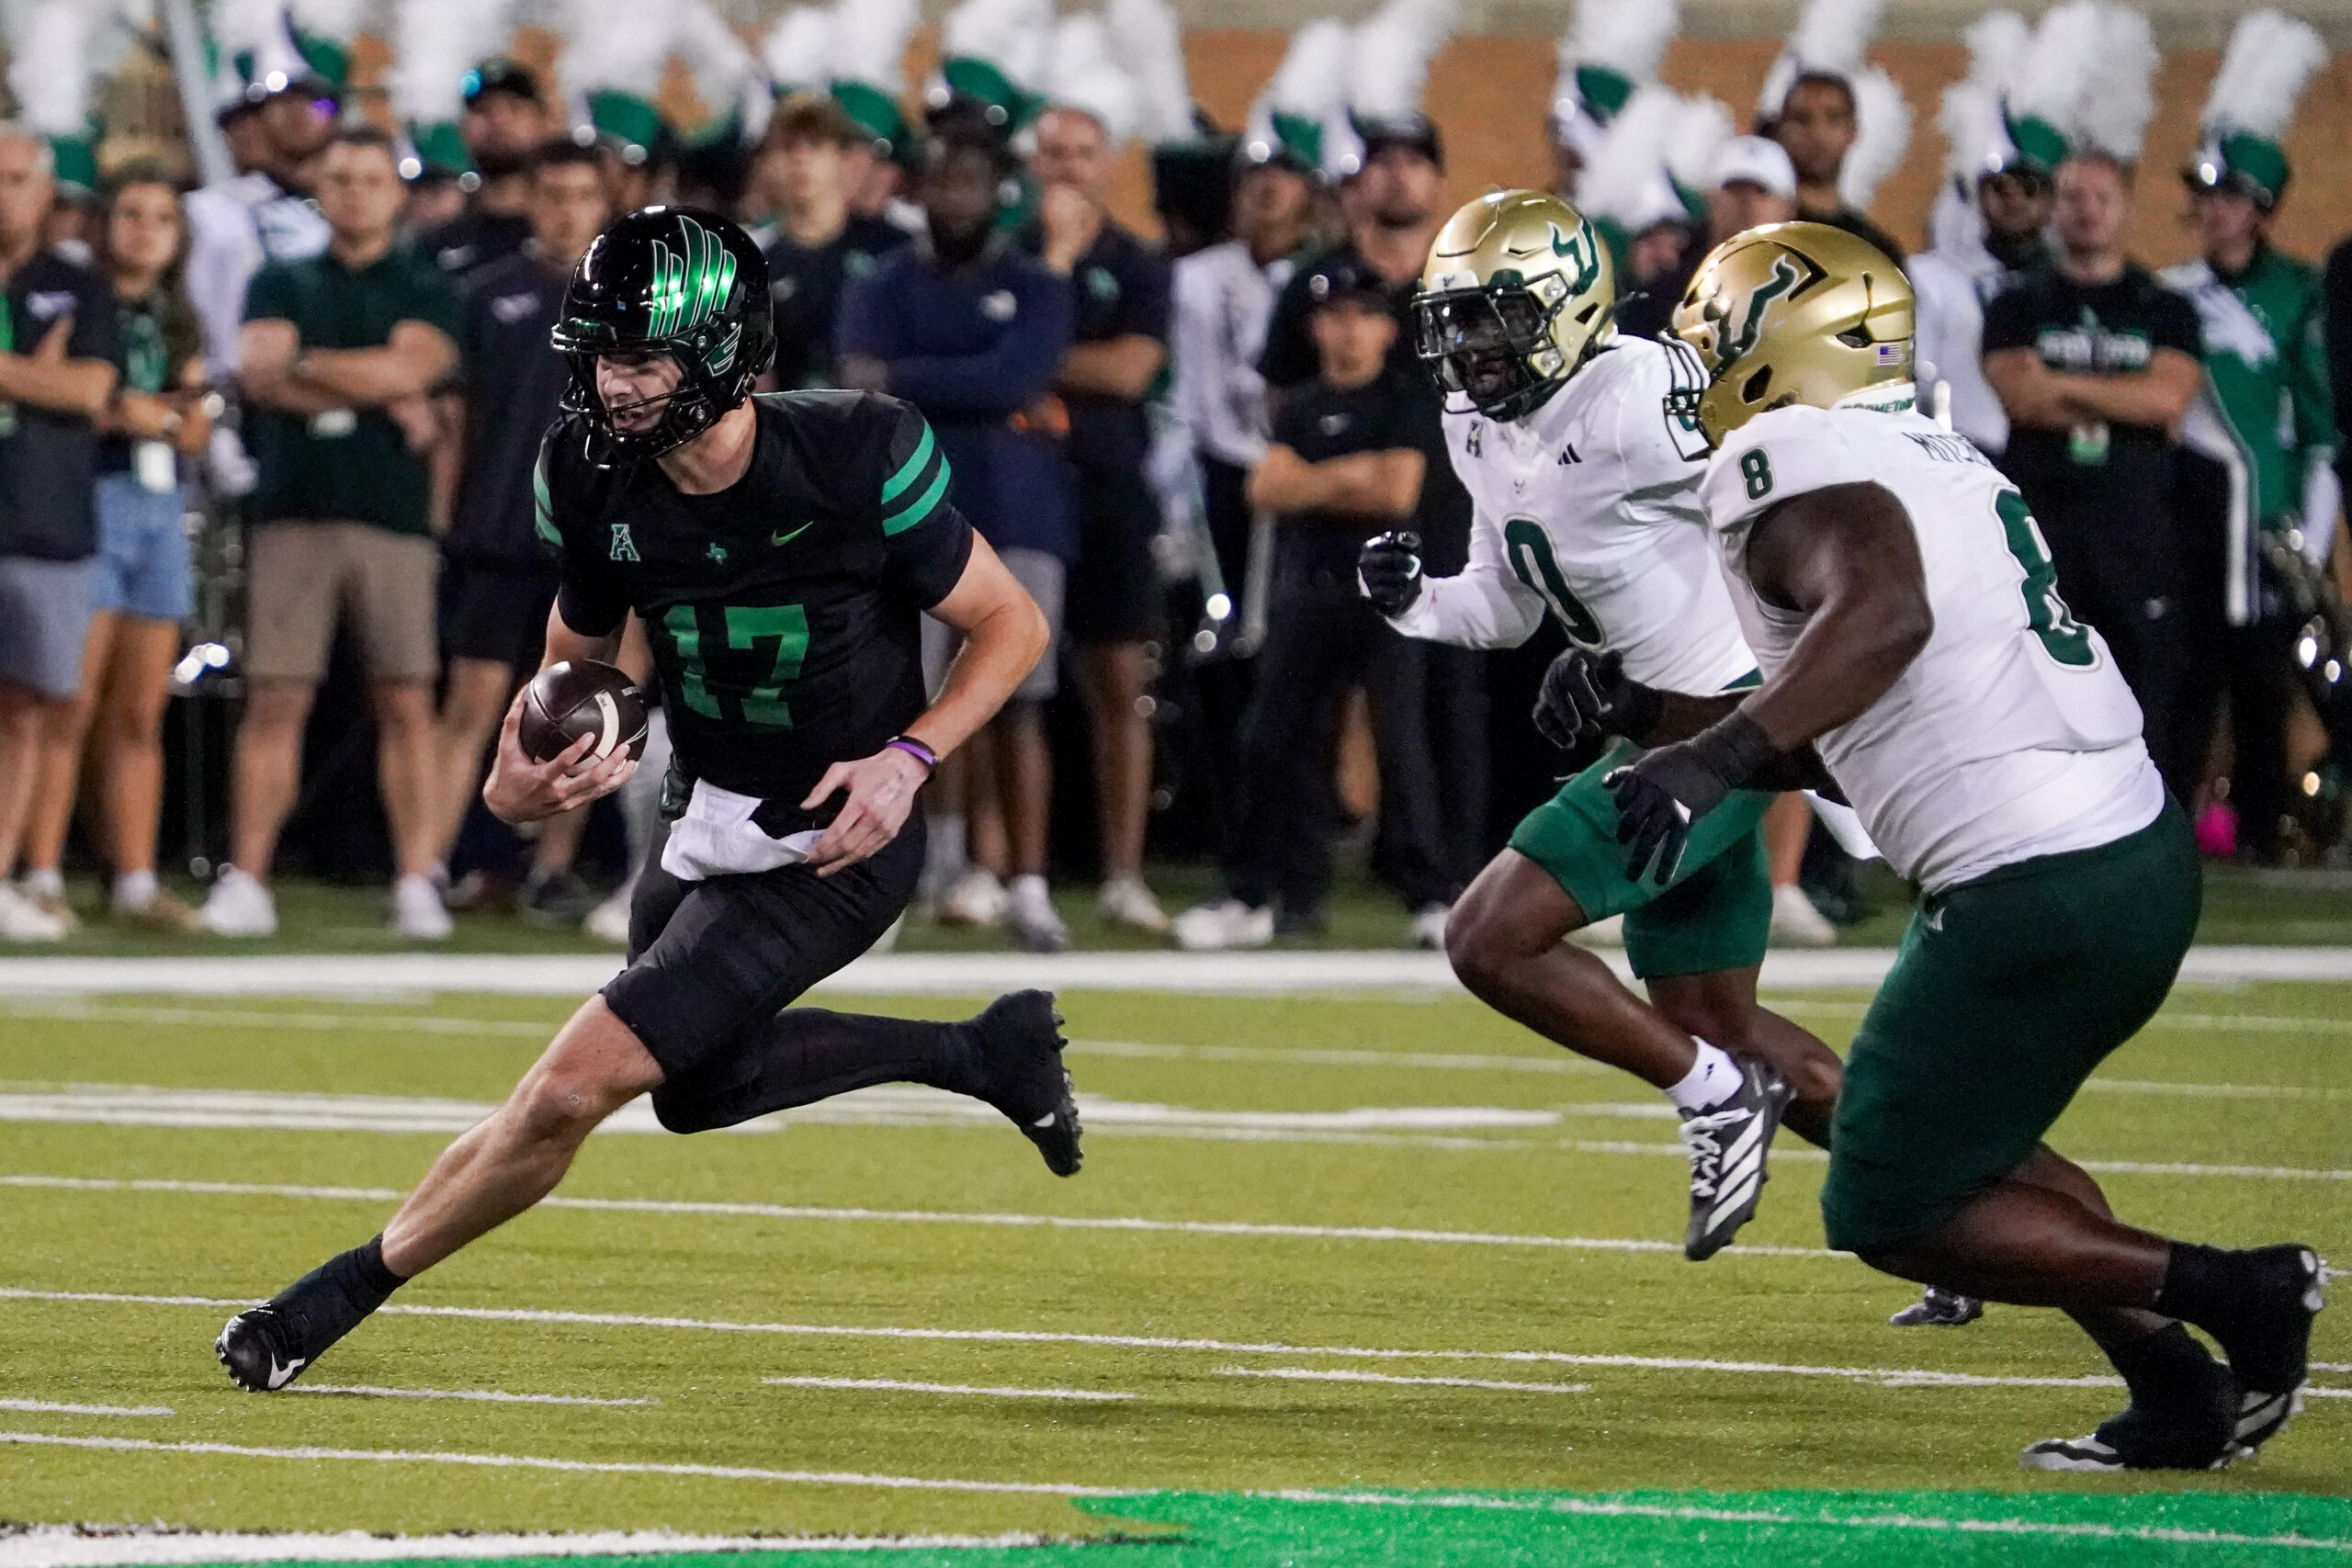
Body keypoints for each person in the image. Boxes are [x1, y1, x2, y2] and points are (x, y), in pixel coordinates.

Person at [213, 205, 1080, 1394]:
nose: (612, 381)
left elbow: (1009, 622)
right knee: (699, 1090)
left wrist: (910, 757)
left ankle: (326, 1296)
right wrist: (519, 775)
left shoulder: (857, 450)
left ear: (723, 350)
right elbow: (575, 674)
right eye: (603, 352)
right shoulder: (587, 470)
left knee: (573, 1085)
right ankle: (985, 1050)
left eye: (642, 354)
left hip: (838, 833)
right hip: (705, 812)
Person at [1656, 219, 2324, 1471]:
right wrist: (1670, 729)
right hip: (2126, 848)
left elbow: (1886, 618)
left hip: (2034, 883)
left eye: (1718, 335)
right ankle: (2175, 1388)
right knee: (1976, 1140)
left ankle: (2238, 1292)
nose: (1698, 366)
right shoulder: (1926, 449)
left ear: (1789, 348)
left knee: (1890, 1199)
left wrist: (1719, 757)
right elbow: (1877, 705)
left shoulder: (1790, 457)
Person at [1353, 190, 1843, 1258]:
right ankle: (1944, 1194)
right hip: (1658, 734)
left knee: (1486, 937)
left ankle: (1714, 1102)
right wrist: (1416, 603)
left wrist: (1808, 666)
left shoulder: (1640, 393)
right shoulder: (1475, 425)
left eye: (1495, 316)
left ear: (1569, 305)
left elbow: (1795, 498)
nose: (1472, 347)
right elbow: (1505, 600)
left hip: (1715, 735)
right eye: (1457, 319)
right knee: (1724, 1026)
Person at [200, 127, 463, 940]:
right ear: (321, 188)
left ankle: (417, 876)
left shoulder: (427, 282)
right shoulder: (279, 278)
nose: (354, 192)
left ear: (396, 192)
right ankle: (247, 877)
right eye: (340, 177)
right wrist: (372, 380)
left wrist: (308, 367)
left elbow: (409, 369)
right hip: (295, 512)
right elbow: (256, 373)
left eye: (370, 179)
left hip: (392, 516)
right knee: (276, 695)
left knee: (406, 699)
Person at [837, 124, 1079, 953]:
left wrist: (910, 375)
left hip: (1016, 512)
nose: (954, 199)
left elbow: (1016, 377)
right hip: (905, 512)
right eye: (941, 183)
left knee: (1021, 704)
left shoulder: (1038, 284)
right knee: (901, 701)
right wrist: (969, 378)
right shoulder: (882, 279)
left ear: (996, 193)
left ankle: (1030, 883)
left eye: (969, 183)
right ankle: (910, 876)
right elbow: (854, 380)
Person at [1171, 256, 1454, 950]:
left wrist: (1314, 480)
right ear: (1316, 327)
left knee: (1400, 741)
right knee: (1272, 738)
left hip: (1390, 596)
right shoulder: (1298, 404)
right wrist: (1352, 473)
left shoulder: (1404, 400)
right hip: (1309, 590)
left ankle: (1431, 895)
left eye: (1363, 316)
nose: (1348, 332)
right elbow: (1265, 489)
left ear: (1387, 329)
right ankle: (1260, 892)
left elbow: (1397, 494)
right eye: (1335, 317)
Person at [1258, 115, 1487, 900]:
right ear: (1357, 183)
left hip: (1465, 514)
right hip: (1330, 550)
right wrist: (1342, 472)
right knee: (1306, 715)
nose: (1396, 177)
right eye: (1380, 162)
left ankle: (1450, 879)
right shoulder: (1318, 281)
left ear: (1439, 181)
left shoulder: (1469, 275)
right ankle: (1294, 881)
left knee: (1446, 713)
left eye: (1413, 161)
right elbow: (1280, 401)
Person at [426, 138, 616, 924]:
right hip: (500, 530)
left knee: (580, 708)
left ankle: (552, 868)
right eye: (554, 193)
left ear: (605, 203)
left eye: (582, 194)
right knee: (471, 705)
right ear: (531, 199)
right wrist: (445, 512)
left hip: (597, 542)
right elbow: (455, 414)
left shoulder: (635, 301)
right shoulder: (488, 292)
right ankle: (427, 864)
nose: (567, 208)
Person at [19, 167, 211, 933]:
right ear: (103, 225)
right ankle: (38, 869)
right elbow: (91, 399)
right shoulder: (78, 297)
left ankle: (133, 877)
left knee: (140, 710)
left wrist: (141, 414)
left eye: (161, 217)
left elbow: (190, 425)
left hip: (159, 509)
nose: (144, 230)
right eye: (129, 214)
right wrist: (146, 412)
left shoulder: (178, 318)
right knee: (67, 701)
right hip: (86, 500)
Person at [1984, 152, 2204, 803]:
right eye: (2074, 196)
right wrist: (2121, 393)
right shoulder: (2019, 301)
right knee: (2041, 672)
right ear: (2056, 206)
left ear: (2126, 208)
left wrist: (2061, 384)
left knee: (2142, 671)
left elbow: (2168, 401)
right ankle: (2039, 808)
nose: (2086, 210)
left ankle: (2143, 811)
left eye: (2101, 197)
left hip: (2136, 524)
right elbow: (2021, 400)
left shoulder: (2163, 307)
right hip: (2043, 521)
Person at [1023, 104, 1174, 934]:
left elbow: (1129, 370)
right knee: (1006, 688)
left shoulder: (1139, 260)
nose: (1067, 168)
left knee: (1120, 684)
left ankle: (1122, 872)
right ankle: (1008, 873)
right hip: (1018, 492)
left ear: (1107, 161)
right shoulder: (1008, 250)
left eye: (1083, 153)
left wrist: (1024, 360)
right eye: (1053, 154)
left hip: (1111, 490)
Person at [2167, 141, 2334, 864]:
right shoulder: (2169, 293)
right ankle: (2172, 832)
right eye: (2207, 194)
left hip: (2272, 526)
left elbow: (2321, 429)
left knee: (2268, 687)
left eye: (2231, 196)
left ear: (2263, 209)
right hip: (2188, 528)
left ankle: (2267, 830)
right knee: (2183, 683)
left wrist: (2314, 542)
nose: (2215, 210)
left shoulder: (2302, 292)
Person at [0, 127, 121, 942]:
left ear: (45, 194)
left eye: (15, 178)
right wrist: (30, 375)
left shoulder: (77, 284)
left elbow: (86, 388)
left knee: (26, 710)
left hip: (44, 522)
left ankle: (4, 873)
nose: (2, 192)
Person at [183, 71, 335, 378]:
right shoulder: (207, 210)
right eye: (242, 121)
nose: (248, 131)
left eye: (317, 106)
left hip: (336, 384)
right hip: (233, 388)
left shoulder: (360, 208)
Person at [754, 95, 910, 393]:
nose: (801, 159)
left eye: (815, 146)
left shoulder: (894, 249)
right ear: (768, 164)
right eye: (788, 148)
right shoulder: (752, 260)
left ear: (844, 159)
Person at [1911, 157, 2053, 457]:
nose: (2014, 199)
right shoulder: (1934, 275)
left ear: (2051, 197)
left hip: (2053, 453)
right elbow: (1917, 377)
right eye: (2001, 187)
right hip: (1961, 447)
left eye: (2029, 188)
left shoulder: (2077, 284)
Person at [416, 59, 556, 282]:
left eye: (515, 108)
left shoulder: (572, 235)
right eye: (483, 111)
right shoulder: (435, 247)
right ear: (463, 128)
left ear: (543, 123)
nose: (499, 121)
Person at [1766, 72, 1904, 265]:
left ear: (1852, 132)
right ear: (1780, 131)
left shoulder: (1874, 249)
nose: (1817, 133)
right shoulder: (1760, 239)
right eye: (1802, 119)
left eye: (1833, 118)